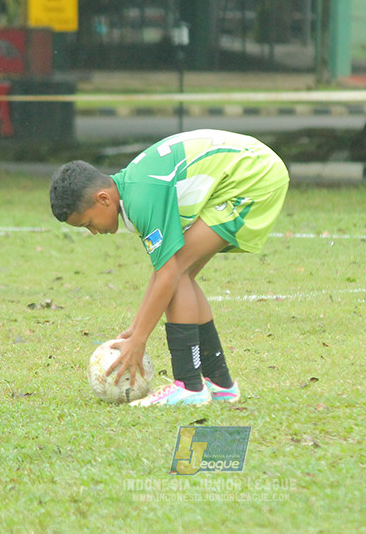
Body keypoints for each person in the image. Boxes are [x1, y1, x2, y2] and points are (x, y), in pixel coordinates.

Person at [49, 129, 289, 406]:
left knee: (179, 273)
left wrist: (139, 340)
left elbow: (169, 275)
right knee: (180, 271)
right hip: (250, 170)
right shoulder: (132, 190)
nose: (93, 231)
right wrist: (136, 326)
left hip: (253, 175)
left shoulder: (141, 197)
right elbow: (164, 270)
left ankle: (188, 386)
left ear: (104, 199)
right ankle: (221, 384)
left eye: (88, 223)